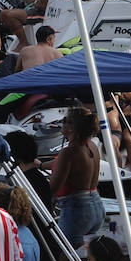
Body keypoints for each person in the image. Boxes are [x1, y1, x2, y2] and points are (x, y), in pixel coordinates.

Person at [52, 106, 105, 248]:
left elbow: (53, 188)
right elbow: (71, 164)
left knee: (68, 258)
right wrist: (40, 165)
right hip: (96, 205)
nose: (61, 123)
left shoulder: (68, 152)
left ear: (72, 128)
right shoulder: (91, 146)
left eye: (64, 120)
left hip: (76, 210)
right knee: (87, 257)